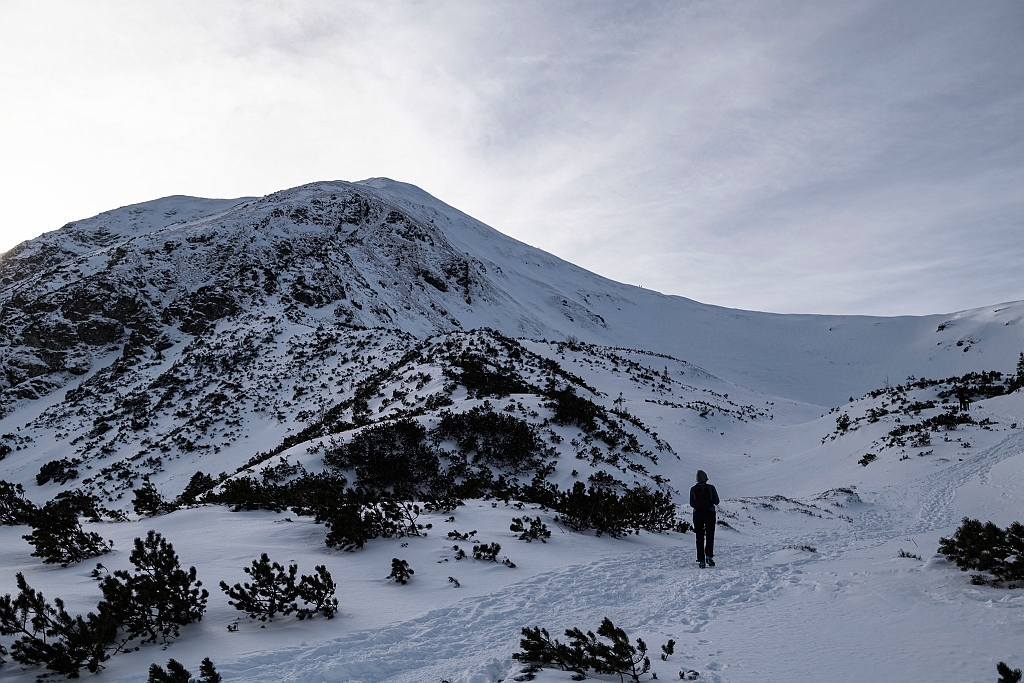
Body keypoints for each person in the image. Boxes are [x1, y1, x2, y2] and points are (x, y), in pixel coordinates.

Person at [689, 469, 720, 568]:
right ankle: (709, 556)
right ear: (706, 478)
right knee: (710, 536)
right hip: (709, 513)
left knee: (699, 537)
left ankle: (701, 560)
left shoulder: (693, 489)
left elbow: (691, 503)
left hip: (697, 514)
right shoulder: (711, 488)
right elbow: (716, 501)